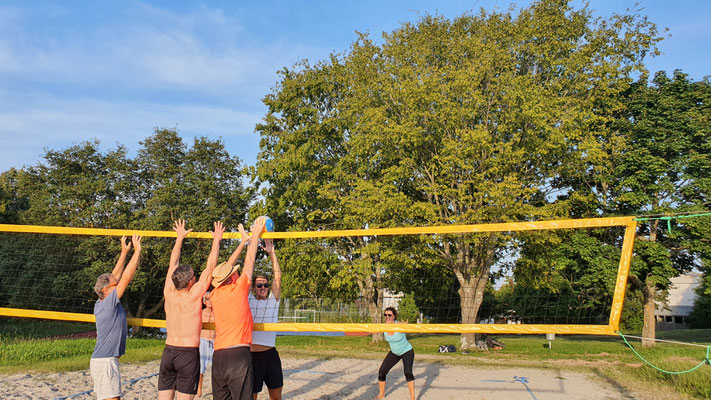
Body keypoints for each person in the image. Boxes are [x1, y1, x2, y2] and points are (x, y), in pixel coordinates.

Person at [158, 220, 225, 400]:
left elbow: (173, 263)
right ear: (190, 282)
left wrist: (179, 238)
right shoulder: (194, 294)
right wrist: (216, 240)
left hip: (168, 351)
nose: (196, 278)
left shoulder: (168, 292)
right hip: (187, 354)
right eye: (194, 276)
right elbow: (210, 267)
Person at [210, 218, 265, 400]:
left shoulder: (214, 294)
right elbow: (249, 260)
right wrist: (254, 236)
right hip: (238, 355)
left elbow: (224, 269)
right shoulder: (239, 288)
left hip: (218, 357)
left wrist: (243, 241)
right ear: (233, 277)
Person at [90, 234, 142, 400]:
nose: (117, 285)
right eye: (115, 285)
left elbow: (116, 276)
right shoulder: (108, 302)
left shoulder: (103, 299)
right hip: (106, 362)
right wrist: (137, 251)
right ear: (105, 290)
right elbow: (126, 278)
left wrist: (124, 252)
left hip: (104, 360)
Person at [249, 238, 282, 400]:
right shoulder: (248, 300)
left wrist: (272, 253)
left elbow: (278, 276)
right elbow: (247, 273)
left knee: (276, 396)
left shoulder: (273, 301)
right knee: (252, 396)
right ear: (253, 288)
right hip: (252, 356)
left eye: (265, 285)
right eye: (259, 285)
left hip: (270, 354)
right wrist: (252, 247)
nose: (263, 288)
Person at [376, 307, 416, 400]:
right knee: (382, 372)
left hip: (407, 351)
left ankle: (413, 398)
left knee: (408, 373)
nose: (387, 317)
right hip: (394, 352)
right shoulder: (384, 326)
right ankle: (381, 395)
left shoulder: (399, 325)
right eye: (385, 315)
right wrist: (355, 327)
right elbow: (371, 330)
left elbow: (406, 328)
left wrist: (406, 326)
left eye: (389, 315)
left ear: (394, 316)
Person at [197, 291, 215, 398]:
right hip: (202, 341)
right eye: (207, 299)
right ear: (204, 301)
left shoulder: (219, 313)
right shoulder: (201, 313)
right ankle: (199, 389)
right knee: (200, 369)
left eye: (211, 298)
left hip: (215, 341)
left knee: (216, 369)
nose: (210, 301)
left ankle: (214, 389)